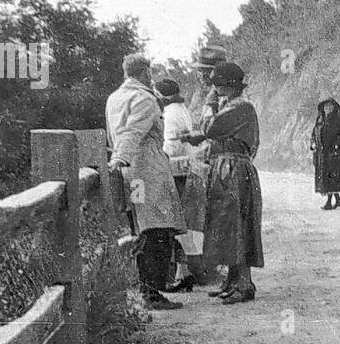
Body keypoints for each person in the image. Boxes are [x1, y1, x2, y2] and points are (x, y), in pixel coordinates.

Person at [106, 54, 187, 310]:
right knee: (157, 231)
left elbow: (117, 133)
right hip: (147, 171)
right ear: (145, 73)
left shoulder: (114, 97)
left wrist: (118, 162)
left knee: (141, 230)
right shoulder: (145, 98)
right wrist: (120, 158)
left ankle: (148, 289)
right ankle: (152, 292)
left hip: (130, 173)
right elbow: (132, 132)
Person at [179, 62, 264, 304]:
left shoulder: (241, 107)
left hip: (233, 170)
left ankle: (243, 284)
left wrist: (209, 104)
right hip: (229, 168)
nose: (214, 88)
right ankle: (233, 280)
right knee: (228, 225)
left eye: (217, 84)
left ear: (227, 85)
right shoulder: (235, 106)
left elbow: (211, 127)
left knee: (236, 224)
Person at [157, 78, 207, 292]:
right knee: (190, 222)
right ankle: (187, 270)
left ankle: (182, 271)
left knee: (180, 221)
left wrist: (158, 155)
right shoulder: (181, 109)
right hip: (190, 169)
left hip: (179, 172)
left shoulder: (170, 114)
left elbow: (172, 146)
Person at [310, 98, 340, 209]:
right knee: (327, 177)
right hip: (322, 154)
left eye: (330, 107)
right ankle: (337, 200)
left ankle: (330, 202)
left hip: (333, 153)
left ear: (334, 107)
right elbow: (314, 133)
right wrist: (313, 143)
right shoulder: (320, 120)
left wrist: (338, 145)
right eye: (326, 107)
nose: (328, 109)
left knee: (331, 176)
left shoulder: (338, 120)